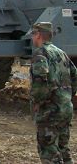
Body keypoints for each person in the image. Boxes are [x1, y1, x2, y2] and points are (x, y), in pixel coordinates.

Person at [30, 21, 77, 163]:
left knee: (49, 152)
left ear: (38, 35)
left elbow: (40, 79)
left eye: (33, 34)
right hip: (65, 109)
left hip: (49, 111)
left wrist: (37, 101)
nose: (32, 38)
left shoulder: (40, 54)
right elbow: (74, 75)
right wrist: (68, 96)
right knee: (63, 150)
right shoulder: (61, 53)